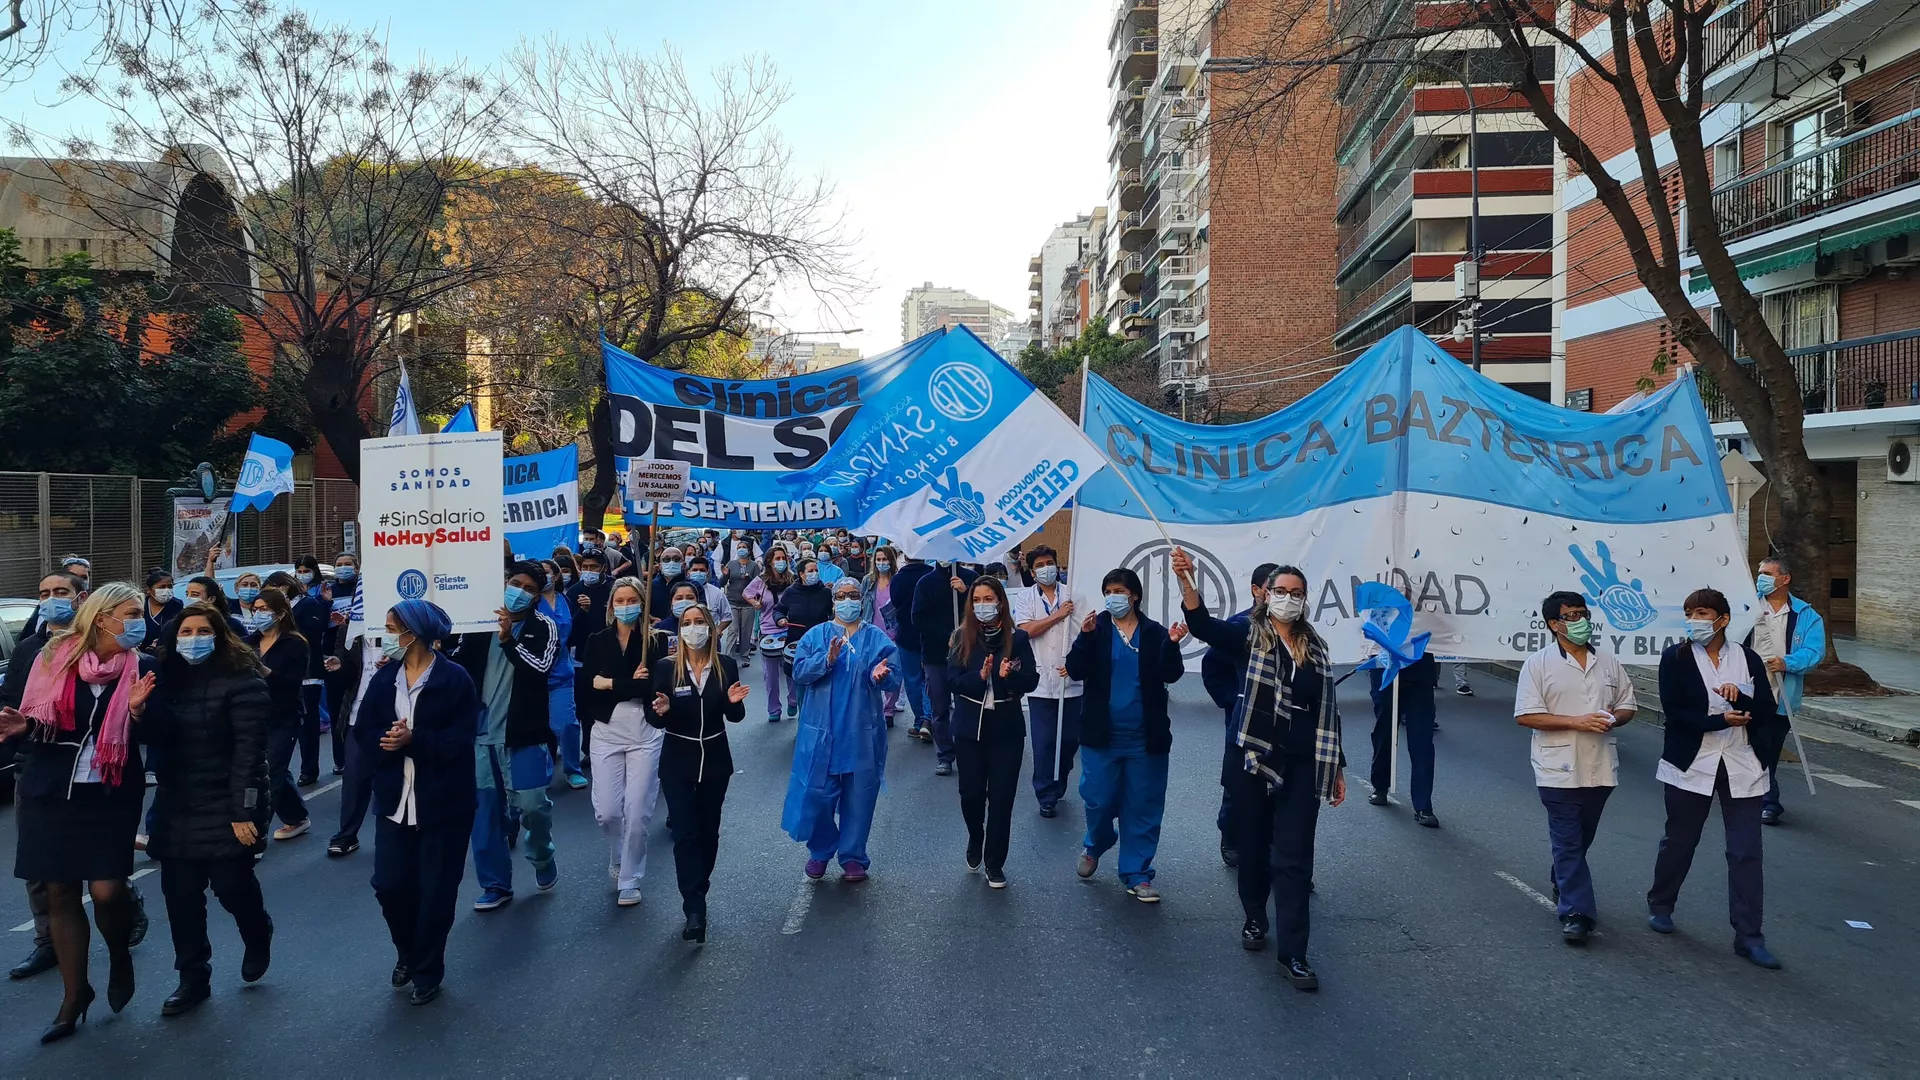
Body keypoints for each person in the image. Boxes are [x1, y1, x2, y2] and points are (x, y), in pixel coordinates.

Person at [1177, 552, 1344, 990]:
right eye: (1281, 592)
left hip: (1304, 760)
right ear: (1265, 595)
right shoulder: (1246, 634)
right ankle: (1254, 915)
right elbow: (1203, 627)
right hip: (1251, 756)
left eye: (1296, 593)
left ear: (1306, 600)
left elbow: (1328, 710)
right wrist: (1186, 582)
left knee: (1294, 856)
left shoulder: (1317, 649)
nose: (1288, 600)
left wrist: (1338, 766)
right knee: (1253, 847)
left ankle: (1295, 955)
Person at [0, 584, 158, 1040]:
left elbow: (162, 728)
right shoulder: (53, 657)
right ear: (102, 617)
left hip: (110, 793)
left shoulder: (143, 667)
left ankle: (120, 953)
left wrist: (139, 713)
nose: (137, 622)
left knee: (107, 891)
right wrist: (23, 725)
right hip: (51, 792)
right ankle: (74, 998)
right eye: (129, 613)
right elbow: (38, 717)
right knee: (60, 892)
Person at [146, 604, 273, 1016]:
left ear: (219, 634)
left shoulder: (243, 680)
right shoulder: (164, 680)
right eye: (185, 631)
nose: (193, 638)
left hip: (228, 800)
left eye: (203, 630)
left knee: (232, 886)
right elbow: (151, 738)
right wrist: (135, 710)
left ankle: (257, 933)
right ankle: (192, 978)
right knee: (180, 898)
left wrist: (243, 812)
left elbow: (250, 756)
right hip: (176, 803)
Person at [1650, 588, 1785, 969]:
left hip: (1741, 763)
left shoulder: (1747, 659)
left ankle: (1749, 936)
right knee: (1680, 841)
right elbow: (1674, 715)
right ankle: (1661, 902)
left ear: (1722, 619)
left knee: (1745, 852)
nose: (1694, 619)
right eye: (1689, 612)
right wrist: (1717, 720)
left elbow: (1766, 710)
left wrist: (1740, 698)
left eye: (1702, 612)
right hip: (1691, 764)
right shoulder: (1675, 659)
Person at [359, 599, 480, 1005]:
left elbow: (460, 741)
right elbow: (364, 732)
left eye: (394, 627)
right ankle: (408, 953)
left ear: (415, 632)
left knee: (436, 892)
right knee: (389, 885)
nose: (388, 634)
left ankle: (428, 970)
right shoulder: (384, 680)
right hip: (395, 801)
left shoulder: (455, 679)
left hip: (444, 804)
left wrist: (415, 740)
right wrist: (387, 741)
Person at [1513, 590, 1637, 945]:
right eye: (1572, 616)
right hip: (1557, 766)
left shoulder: (1608, 662)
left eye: (1583, 613)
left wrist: (1614, 718)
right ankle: (1577, 912)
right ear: (1554, 624)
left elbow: (1628, 704)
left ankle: (1562, 878)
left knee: (1582, 837)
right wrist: (1576, 722)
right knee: (1567, 839)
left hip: (1600, 766)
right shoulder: (1538, 664)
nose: (1581, 621)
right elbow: (1525, 715)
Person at [1067, 567, 1187, 903]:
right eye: (1108, 590)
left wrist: (1173, 645)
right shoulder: (1097, 628)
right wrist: (1085, 637)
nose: (1113, 596)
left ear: (1134, 595)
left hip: (1145, 739)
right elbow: (1075, 670)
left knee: (1143, 806)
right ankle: (1097, 841)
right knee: (1097, 798)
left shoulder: (1154, 633)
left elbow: (1172, 674)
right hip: (1101, 736)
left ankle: (1137, 873)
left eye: (1119, 590)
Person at [454, 562, 561, 911]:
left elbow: (540, 668)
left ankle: (542, 855)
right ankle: (495, 884)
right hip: (482, 736)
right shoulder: (476, 623)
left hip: (524, 735)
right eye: (515, 583)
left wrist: (508, 641)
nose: (520, 591)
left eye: (529, 588)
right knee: (484, 814)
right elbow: (454, 664)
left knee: (532, 806)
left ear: (536, 596)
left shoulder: (543, 626)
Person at [784, 578, 901, 881]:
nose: (848, 600)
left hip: (861, 733)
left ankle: (852, 856)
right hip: (821, 733)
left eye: (853, 595)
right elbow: (799, 671)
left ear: (861, 599)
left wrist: (881, 676)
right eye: (841, 595)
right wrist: (827, 660)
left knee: (859, 797)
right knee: (817, 796)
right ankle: (821, 849)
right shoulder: (816, 636)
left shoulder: (876, 638)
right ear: (833, 600)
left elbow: (894, 676)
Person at [3, 572, 89, 983]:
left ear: (79, 598)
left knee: (96, 864)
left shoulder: (94, 649)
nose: (52, 600)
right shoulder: (27, 650)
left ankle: (122, 903)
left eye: (61, 593)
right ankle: (47, 941)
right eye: (44, 594)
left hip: (82, 768)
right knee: (38, 863)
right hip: (33, 766)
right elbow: (10, 706)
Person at [648, 602, 748, 942]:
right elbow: (654, 717)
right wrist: (662, 711)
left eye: (699, 622)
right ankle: (694, 907)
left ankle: (698, 888)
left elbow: (735, 717)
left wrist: (733, 703)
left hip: (716, 758)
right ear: (680, 629)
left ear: (710, 627)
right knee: (685, 833)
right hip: (677, 759)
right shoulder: (665, 668)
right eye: (687, 623)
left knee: (708, 833)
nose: (694, 628)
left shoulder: (726, 666)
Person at [946, 576, 1040, 888]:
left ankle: (995, 861)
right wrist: (980, 676)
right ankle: (976, 834)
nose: (983, 605)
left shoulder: (1018, 638)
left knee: (1002, 799)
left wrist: (1008, 676)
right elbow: (952, 680)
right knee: (970, 794)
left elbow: (1031, 680)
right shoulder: (961, 636)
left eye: (989, 598)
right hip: (969, 729)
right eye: (978, 599)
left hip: (1007, 729)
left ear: (1000, 601)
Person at [584, 578, 670, 906]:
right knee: (607, 811)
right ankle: (616, 850)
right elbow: (589, 684)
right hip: (606, 731)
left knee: (638, 809)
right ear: (610, 606)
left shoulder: (654, 642)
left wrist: (610, 683)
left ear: (642, 603)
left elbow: (651, 689)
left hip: (645, 732)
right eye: (619, 600)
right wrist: (623, 683)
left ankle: (630, 877)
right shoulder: (597, 641)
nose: (624, 606)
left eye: (631, 600)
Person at [1202, 563, 1276, 868]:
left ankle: (1283, 858)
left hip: (1281, 726)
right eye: (1274, 590)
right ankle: (1230, 835)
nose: (1282, 598)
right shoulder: (1241, 626)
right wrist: (1233, 700)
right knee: (1238, 782)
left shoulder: (1297, 632)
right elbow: (1212, 666)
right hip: (1244, 721)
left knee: (1279, 790)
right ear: (1257, 591)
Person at [1745, 555, 1823, 826]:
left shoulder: (1807, 616)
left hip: (1781, 696)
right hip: (1745, 690)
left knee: (1768, 748)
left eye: (1767, 573)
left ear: (1784, 579)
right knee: (1749, 745)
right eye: (1760, 572)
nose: (1761, 577)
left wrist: (1787, 663)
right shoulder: (1746, 606)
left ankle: (1766, 799)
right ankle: (1763, 799)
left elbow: (1814, 652)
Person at [1012, 546, 1083, 818]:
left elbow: (1087, 630)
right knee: (1043, 743)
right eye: (1040, 564)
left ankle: (1060, 780)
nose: (1046, 568)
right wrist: (1057, 616)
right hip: (1040, 682)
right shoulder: (1025, 598)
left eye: (1050, 562)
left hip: (1072, 681)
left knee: (1068, 742)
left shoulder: (1074, 595)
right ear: (1032, 571)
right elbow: (1025, 630)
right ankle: (1046, 794)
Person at [243, 588, 312, 841]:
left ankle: (256, 834)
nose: (258, 614)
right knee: (274, 767)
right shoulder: (248, 643)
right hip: (253, 715)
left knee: (270, 773)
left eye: (264, 609)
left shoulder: (295, 644)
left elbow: (292, 683)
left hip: (284, 715)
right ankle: (296, 816)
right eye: (255, 609)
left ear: (280, 613)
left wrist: (264, 670)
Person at [915, 562, 979, 775]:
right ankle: (945, 754)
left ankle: (968, 750)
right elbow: (918, 618)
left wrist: (966, 592)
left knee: (967, 704)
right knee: (939, 707)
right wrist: (947, 636)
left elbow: (984, 610)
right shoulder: (926, 582)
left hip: (967, 653)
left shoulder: (971, 578)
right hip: (936, 655)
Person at [1368, 652, 1441, 827]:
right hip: (1385, 665)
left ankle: (1424, 805)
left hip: (1419, 666)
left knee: (1422, 738)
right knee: (1384, 730)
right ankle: (1380, 784)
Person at [536, 558, 586, 790]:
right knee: (539, 728)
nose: (544, 576)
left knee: (566, 724)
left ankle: (572, 769)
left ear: (556, 576)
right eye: (540, 572)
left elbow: (571, 632)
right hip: (536, 674)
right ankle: (541, 773)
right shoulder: (531, 602)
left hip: (562, 673)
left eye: (548, 572)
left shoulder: (564, 600)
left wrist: (584, 613)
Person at [288, 557, 333, 786]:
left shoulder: (310, 602)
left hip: (309, 671)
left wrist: (325, 604)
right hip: (285, 673)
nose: (302, 574)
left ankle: (309, 770)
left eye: (306, 570)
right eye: (299, 570)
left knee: (308, 722)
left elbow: (317, 632)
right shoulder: (273, 609)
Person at [887, 553, 937, 742]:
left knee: (912, 679)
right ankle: (928, 718)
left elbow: (895, 603)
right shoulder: (931, 575)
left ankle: (919, 721)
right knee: (930, 678)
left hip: (906, 634)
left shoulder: (898, 579)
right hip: (930, 635)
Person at [745, 551, 799, 721]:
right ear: (770, 561)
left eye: (784, 558)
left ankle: (793, 701)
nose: (781, 561)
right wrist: (755, 603)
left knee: (791, 670)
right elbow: (747, 593)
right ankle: (774, 709)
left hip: (790, 629)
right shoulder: (761, 581)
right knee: (771, 675)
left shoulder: (793, 579)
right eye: (777, 559)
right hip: (768, 630)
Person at [774, 556, 833, 704]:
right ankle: (802, 716)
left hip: (820, 644)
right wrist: (780, 619)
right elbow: (778, 610)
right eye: (810, 571)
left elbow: (832, 614)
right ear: (801, 574)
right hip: (797, 643)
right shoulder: (791, 592)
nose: (814, 573)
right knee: (801, 684)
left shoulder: (825, 592)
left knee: (821, 683)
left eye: (816, 570)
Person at [859, 545, 905, 727]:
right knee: (871, 670)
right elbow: (862, 603)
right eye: (878, 560)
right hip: (873, 630)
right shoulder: (868, 581)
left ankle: (889, 710)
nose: (881, 563)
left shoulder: (898, 580)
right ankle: (874, 708)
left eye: (885, 559)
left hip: (894, 632)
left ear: (891, 561)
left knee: (891, 670)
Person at [683, 554, 736, 645]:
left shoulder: (716, 593)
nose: (698, 572)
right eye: (695, 570)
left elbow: (727, 616)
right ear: (688, 572)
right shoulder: (681, 591)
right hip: (684, 638)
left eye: (702, 570)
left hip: (709, 640)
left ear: (707, 572)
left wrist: (717, 631)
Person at [722, 541, 761, 659]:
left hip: (748, 603)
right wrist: (725, 575)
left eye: (744, 547)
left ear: (749, 551)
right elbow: (722, 582)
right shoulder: (731, 564)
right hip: (732, 601)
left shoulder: (754, 565)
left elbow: (758, 584)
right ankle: (728, 656)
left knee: (745, 631)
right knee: (732, 630)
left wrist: (748, 577)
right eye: (739, 547)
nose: (741, 549)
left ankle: (745, 655)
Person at [140, 569, 183, 648]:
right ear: (149, 590)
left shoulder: (177, 605)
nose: (166, 590)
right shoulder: (140, 606)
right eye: (162, 587)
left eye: (170, 586)